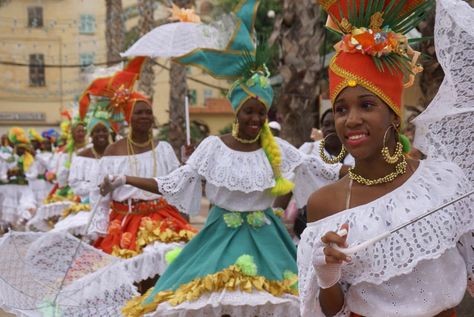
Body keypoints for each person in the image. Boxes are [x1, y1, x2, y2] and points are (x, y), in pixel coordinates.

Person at [105, 1, 344, 316]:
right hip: (218, 240)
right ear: (237, 111)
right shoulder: (212, 147)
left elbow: (323, 175)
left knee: (273, 304)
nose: (255, 118)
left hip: (268, 244)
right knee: (213, 302)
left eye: (261, 112)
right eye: (249, 111)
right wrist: (124, 179)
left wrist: (366, 170)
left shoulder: (281, 150)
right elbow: (173, 183)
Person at [298, 1, 474, 317]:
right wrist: (327, 279)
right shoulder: (326, 203)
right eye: (341, 109)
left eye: (366, 105)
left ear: (393, 115)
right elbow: (331, 312)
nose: (350, 120)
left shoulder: (445, 182)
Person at [81, 57, 196, 291]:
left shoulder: (163, 149)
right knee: (129, 282)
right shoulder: (113, 152)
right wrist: (98, 228)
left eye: (148, 112)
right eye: (139, 113)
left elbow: (176, 184)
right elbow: (100, 197)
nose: (145, 117)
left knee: (164, 275)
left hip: (162, 215)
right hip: (125, 221)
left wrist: (188, 162)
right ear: (129, 118)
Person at [52, 105, 112, 236]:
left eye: (104, 131)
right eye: (97, 131)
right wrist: (96, 189)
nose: (101, 134)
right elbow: (74, 182)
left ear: (109, 133)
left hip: (115, 205)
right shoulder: (81, 156)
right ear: (91, 135)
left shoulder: (117, 154)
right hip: (87, 203)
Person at [0, 127, 36, 228]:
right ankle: (9, 230)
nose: (21, 150)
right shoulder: (9, 159)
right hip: (10, 189)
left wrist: (24, 175)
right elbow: (2, 175)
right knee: (10, 215)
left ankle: (21, 225)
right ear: (15, 148)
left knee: (29, 208)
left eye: (23, 148)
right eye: (19, 148)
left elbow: (34, 174)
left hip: (25, 188)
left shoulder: (29, 159)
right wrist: (9, 175)